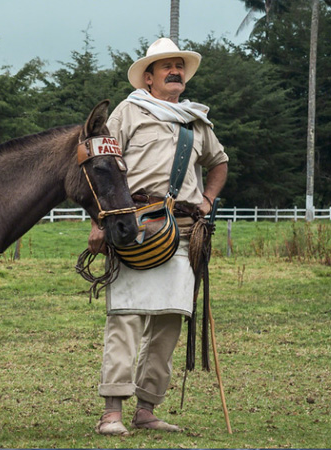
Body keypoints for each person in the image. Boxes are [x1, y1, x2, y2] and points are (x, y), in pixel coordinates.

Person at [87, 37, 229, 436]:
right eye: (166, 66)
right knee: (126, 316)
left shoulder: (195, 121)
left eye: (179, 66)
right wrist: (99, 223)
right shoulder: (127, 112)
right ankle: (111, 412)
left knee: (169, 320)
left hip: (184, 231)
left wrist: (207, 199)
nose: (175, 72)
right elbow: (103, 167)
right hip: (136, 226)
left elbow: (219, 163)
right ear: (148, 78)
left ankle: (146, 409)